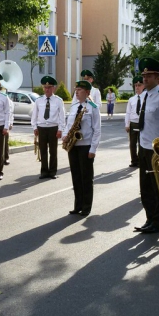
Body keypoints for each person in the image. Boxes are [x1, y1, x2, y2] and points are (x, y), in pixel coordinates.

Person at [133, 58, 159, 234]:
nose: (145, 78)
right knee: (146, 188)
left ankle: (158, 223)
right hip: (143, 147)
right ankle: (149, 218)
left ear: (158, 78)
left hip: (156, 150)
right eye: (144, 75)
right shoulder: (144, 95)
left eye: (149, 76)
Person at [64, 80, 102, 216]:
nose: (77, 92)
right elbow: (68, 125)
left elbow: (97, 130)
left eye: (80, 90)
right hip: (73, 146)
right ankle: (77, 205)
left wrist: (93, 149)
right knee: (76, 177)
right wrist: (65, 136)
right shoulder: (74, 107)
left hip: (86, 146)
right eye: (76, 89)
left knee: (86, 178)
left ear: (87, 92)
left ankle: (86, 207)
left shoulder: (93, 107)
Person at [32, 75, 66, 179]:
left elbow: (62, 116)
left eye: (49, 87)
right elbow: (34, 115)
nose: (47, 90)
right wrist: (34, 127)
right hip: (42, 127)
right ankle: (44, 171)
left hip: (53, 128)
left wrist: (60, 129)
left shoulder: (58, 100)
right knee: (42, 150)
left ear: (53, 88)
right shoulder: (38, 100)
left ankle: (52, 172)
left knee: (53, 151)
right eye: (45, 88)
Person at [124, 77, 145, 168]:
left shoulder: (146, 97)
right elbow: (128, 112)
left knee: (141, 143)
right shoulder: (131, 99)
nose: (137, 87)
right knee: (132, 143)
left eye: (139, 85)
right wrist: (127, 124)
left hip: (142, 123)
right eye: (135, 85)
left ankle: (141, 161)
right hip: (133, 123)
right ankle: (134, 160)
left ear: (143, 86)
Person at [3, 92, 14, 165]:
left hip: (4, 124)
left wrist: (10, 123)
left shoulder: (8, 100)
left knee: (5, 142)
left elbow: (11, 113)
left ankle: (6, 158)